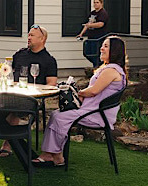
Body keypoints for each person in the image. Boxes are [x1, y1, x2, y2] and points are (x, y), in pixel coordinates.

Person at [35, 36, 127, 167]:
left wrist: (76, 92)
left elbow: (94, 91)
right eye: (103, 45)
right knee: (56, 114)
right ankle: (52, 154)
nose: (101, 48)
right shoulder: (111, 69)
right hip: (92, 110)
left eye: (106, 46)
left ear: (115, 51)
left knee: (60, 117)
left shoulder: (111, 71)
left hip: (96, 114)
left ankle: (55, 155)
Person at [0, 25, 58, 158]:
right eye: (28, 35)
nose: (28, 38)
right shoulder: (20, 54)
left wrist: (36, 91)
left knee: (13, 107)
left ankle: (8, 143)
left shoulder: (49, 60)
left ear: (42, 39)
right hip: (11, 93)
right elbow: (7, 71)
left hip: (31, 99)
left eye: (32, 35)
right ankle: (8, 135)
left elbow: (52, 84)